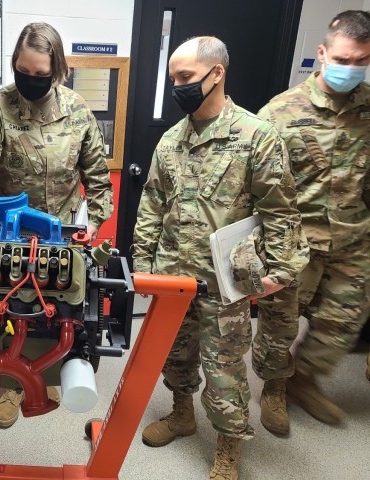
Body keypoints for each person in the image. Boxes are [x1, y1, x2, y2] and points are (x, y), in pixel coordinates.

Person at [133, 37, 306, 479]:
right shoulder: (171, 140)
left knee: (224, 367)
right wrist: (142, 264)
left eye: (185, 78)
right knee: (174, 355)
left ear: (217, 74)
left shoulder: (257, 137)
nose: (177, 87)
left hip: (224, 282)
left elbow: (280, 211)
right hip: (173, 275)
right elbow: (152, 204)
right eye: (173, 79)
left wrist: (280, 272)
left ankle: (229, 448)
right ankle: (181, 414)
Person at [0, 22, 113, 429]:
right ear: (15, 64)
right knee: (9, 306)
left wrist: (93, 221)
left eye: (41, 75)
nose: (31, 80)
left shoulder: (77, 111)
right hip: (11, 231)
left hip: (62, 228)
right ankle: (13, 383)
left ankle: (49, 375)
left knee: (56, 307)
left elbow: (97, 176)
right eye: (24, 70)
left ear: (57, 71)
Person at [255, 10, 370, 428]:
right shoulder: (280, 112)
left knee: (340, 325)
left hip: (353, 241)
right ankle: (275, 388)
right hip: (296, 246)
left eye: (361, 61)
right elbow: (256, 186)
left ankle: (305, 380)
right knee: (278, 329)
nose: (350, 69)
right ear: (322, 53)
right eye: (343, 59)